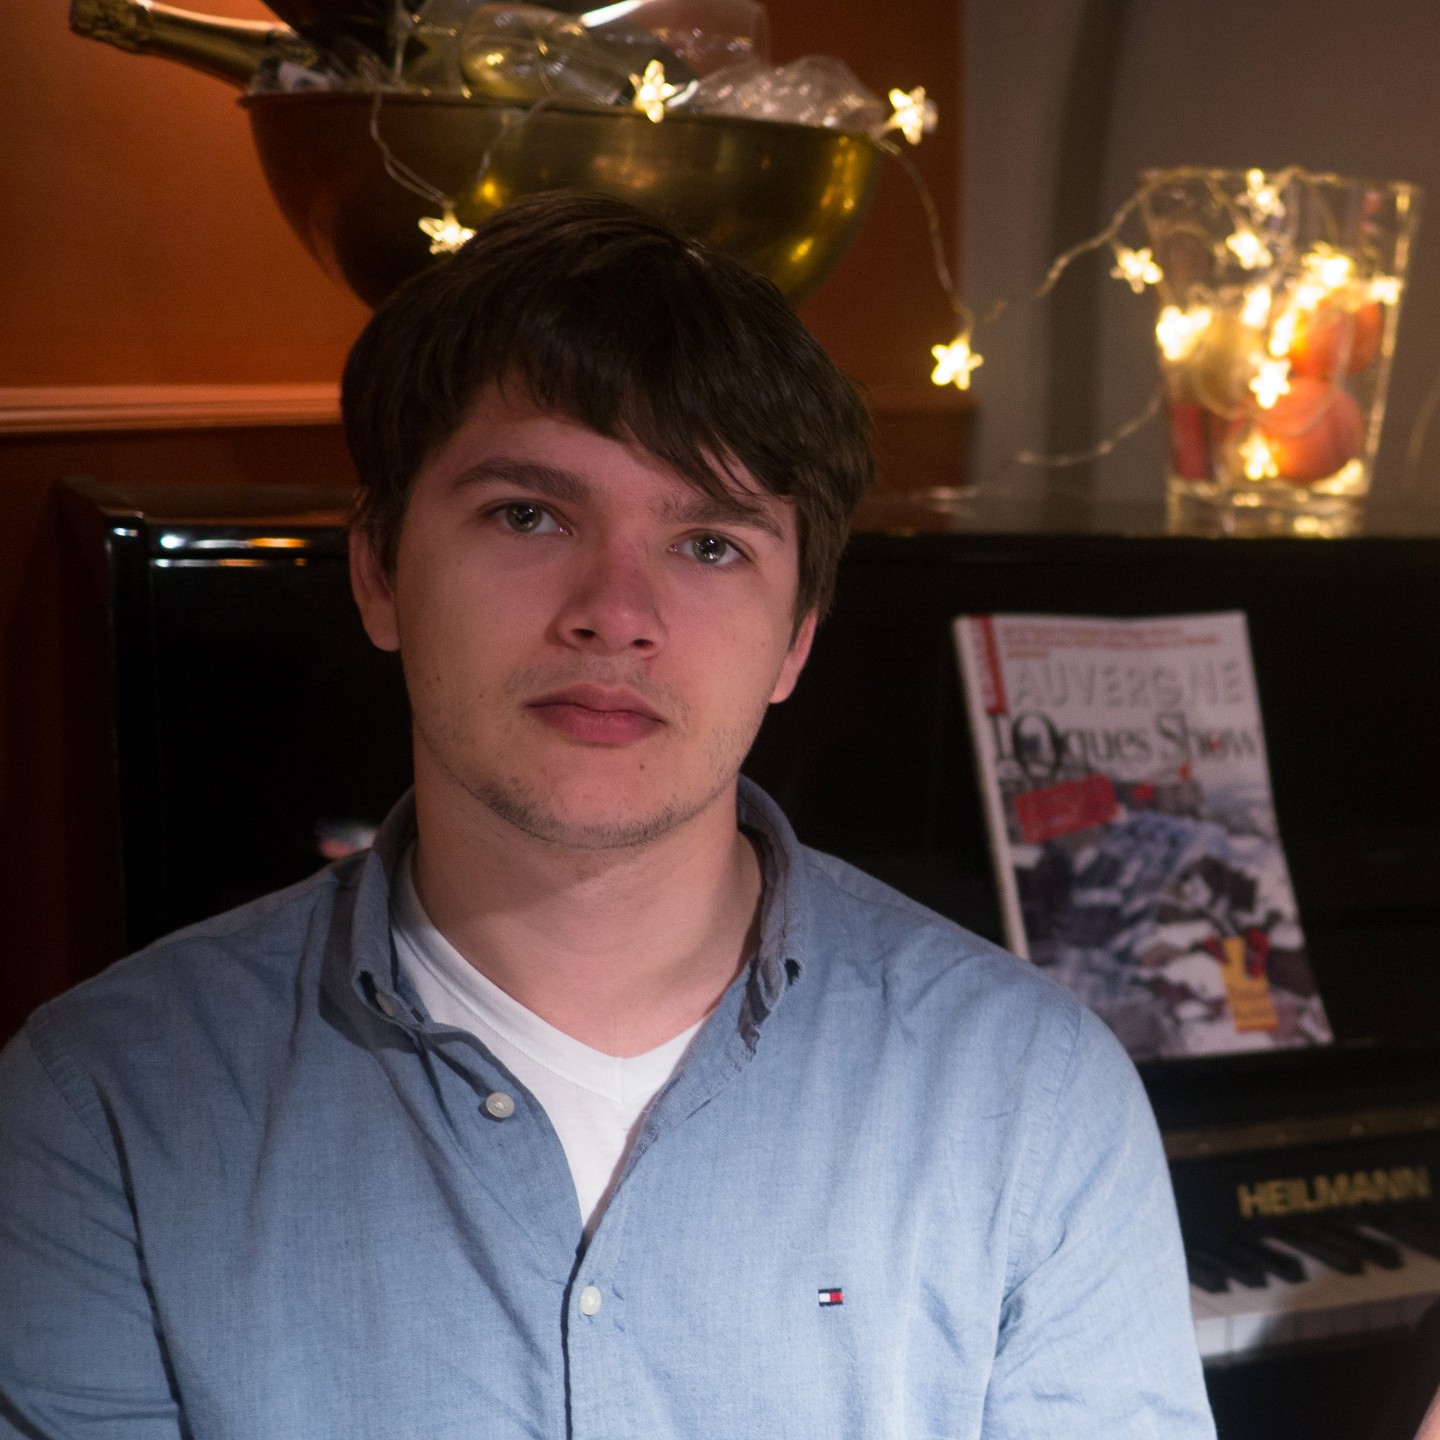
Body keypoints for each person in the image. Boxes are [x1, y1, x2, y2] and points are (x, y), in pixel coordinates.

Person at [0, 192, 1214, 1439]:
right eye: (528, 515)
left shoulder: (1037, 1093)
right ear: (378, 572)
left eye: (711, 544)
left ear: (797, 638)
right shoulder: (100, 1106)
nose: (616, 613)